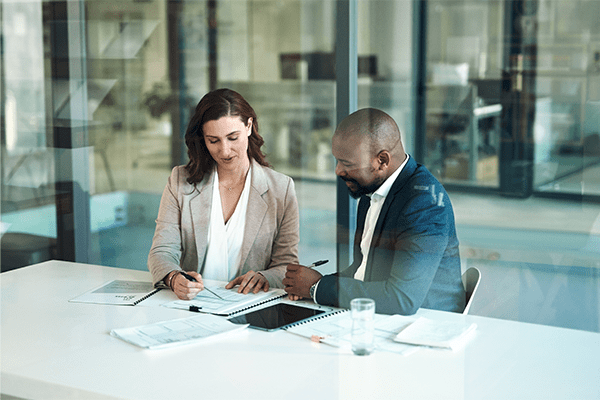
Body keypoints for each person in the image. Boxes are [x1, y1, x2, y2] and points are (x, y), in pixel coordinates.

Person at [283, 108, 465, 315]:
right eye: (337, 160)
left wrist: (318, 288)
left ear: (382, 161)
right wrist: (313, 284)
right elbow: (363, 269)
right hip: (384, 319)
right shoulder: (373, 190)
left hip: (425, 326)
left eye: (347, 163)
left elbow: (401, 299)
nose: (338, 171)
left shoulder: (425, 204)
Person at [148, 88, 299, 300]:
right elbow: (162, 251)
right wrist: (174, 278)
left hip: (250, 306)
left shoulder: (281, 189)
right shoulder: (180, 181)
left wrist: (264, 277)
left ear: (248, 126)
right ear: (202, 138)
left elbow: (286, 264)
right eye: (214, 140)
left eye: (232, 137)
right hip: (192, 305)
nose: (225, 151)